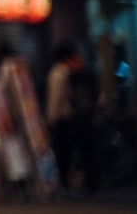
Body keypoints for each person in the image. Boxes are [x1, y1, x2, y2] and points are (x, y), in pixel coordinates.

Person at [46, 42, 98, 195]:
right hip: (69, 118)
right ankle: (86, 182)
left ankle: (63, 182)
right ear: (68, 58)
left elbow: (54, 98)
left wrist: (51, 117)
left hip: (65, 120)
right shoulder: (65, 73)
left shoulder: (59, 73)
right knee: (75, 151)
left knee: (64, 152)